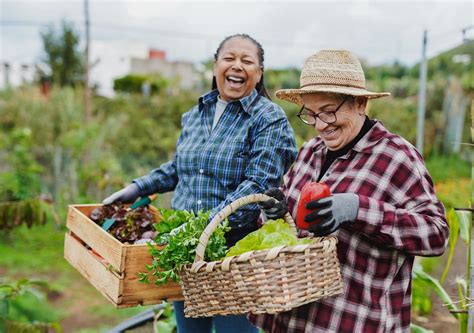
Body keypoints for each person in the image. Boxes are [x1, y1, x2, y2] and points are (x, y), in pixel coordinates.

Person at [103, 34, 297, 333]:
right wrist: (139, 187)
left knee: (235, 330)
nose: (237, 66)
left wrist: (200, 230)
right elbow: (180, 168)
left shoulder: (268, 118)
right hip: (184, 249)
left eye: (247, 61)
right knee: (190, 329)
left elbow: (258, 184)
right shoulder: (195, 114)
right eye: (229, 58)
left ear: (259, 73)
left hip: (232, 251)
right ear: (215, 65)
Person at [252, 49, 449, 333]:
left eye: (330, 111)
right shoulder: (310, 151)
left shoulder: (396, 156)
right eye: (311, 114)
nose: (320, 125)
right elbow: (294, 230)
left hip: (349, 321)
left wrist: (358, 208)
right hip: (290, 320)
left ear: (360, 103)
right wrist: (276, 213)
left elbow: (435, 234)